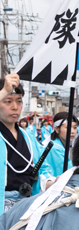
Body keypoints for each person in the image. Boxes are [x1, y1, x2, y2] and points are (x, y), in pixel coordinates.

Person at [0, 72, 44, 211]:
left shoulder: (28, 137)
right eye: (8, 101)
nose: (15, 107)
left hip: (27, 203)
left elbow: (42, 166)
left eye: (19, 101)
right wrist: (4, 91)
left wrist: (48, 181)